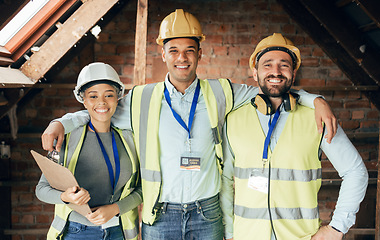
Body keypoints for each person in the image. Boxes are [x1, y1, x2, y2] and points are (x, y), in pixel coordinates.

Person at [41, 10, 337, 240]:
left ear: (199, 53)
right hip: (159, 216)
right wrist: (61, 122)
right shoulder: (141, 98)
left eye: (189, 50)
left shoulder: (223, 92)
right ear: (163, 54)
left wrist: (315, 99)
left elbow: (272, 87)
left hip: (207, 213)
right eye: (174, 50)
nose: (181, 58)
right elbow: (100, 109)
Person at [220, 33, 369, 240]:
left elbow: (355, 171)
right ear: (254, 72)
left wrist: (337, 228)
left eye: (284, 65)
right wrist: (228, 233)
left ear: (293, 72)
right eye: (267, 65)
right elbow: (225, 180)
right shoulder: (234, 119)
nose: (276, 72)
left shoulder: (317, 118)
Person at [35, 63, 142, 240]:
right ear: (83, 101)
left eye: (109, 95)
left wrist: (116, 208)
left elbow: (140, 190)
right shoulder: (68, 139)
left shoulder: (130, 139)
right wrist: (65, 196)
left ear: (118, 99)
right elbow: (41, 189)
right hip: (77, 233)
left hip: (118, 232)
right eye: (93, 96)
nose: (102, 102)